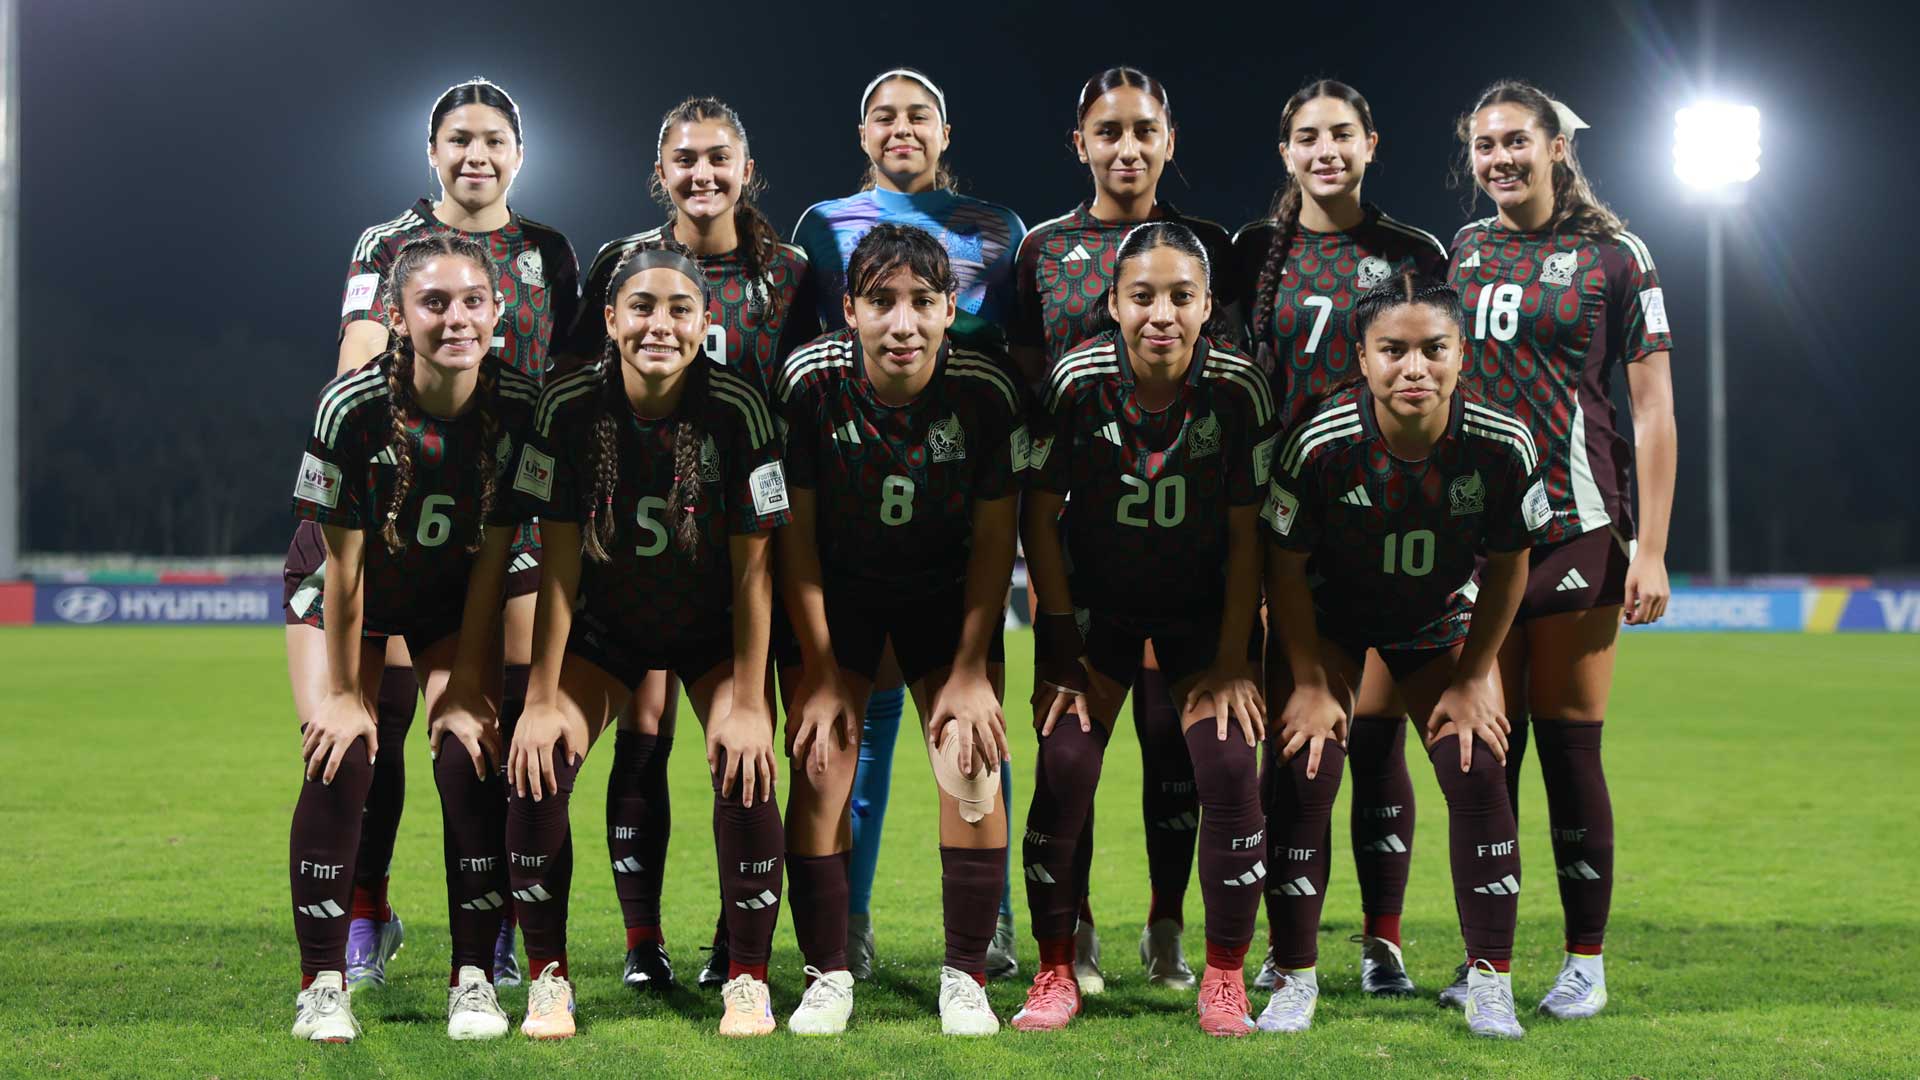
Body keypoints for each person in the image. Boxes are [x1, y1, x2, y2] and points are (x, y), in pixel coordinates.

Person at [287, 77, 578, 991]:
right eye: (458, 139)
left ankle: (494, 933)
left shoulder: (548, 252)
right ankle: (364, 911)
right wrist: (416, 431)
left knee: (490, 733)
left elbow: (566, 383)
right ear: (432, 152)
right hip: (392, 504)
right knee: (372, 724)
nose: (476, 154)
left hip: (503, 513)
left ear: (519, 153)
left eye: (494, 138)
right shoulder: (387, 243)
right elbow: (358, 357)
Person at [504, 244, 789, 1039]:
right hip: (606, 629)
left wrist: (747, 702)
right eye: (641, 308)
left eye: (677, 310)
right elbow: (558, 567)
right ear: (609, 321)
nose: (658, 325)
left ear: (705, 322)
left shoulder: (740, 406)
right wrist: (539, 698)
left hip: (710, 631)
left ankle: (749, 981)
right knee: (536, 763)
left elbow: (753, 575)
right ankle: (548, 980)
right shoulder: (566, 406)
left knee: (746, 761)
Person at [567, 96, 819, 992]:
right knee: (641, 733)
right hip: (636, 543)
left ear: (748, 171)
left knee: (749, 738)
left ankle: (732, 942)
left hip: (752, 539)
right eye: (685, 159)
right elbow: (580, 396)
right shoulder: (621, 266)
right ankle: (644, 943)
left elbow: (819, 386)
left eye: (720, 158)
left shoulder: (791, 272)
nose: (702, 174)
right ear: (660, 172)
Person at [1444, 80, 1677, 1019]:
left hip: (1578, 528)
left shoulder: (1617, 255)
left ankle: (1585, 960)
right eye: (1485, 145)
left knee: (1571, 753)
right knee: (1482, 757)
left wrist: (1651, 549)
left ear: (1556, 149)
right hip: (1477, 539)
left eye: (1516, 142)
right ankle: (1484, 961)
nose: (1500, 158)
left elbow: (1654, 409)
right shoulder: (1462, 251)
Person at [1261, 271, 1545, 1039]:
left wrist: (1478, 673)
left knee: (1476, 765)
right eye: (1393, 350)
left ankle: (1492, 981)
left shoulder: (1500, 442)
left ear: (1463, 356)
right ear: (1363, 358)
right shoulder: (1321, 442)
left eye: (1432, 349)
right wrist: (1315, 681)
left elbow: (1511, 562)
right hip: (1330, 622)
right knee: (1308, 763)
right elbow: (1282, 566)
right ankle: (1294, 976)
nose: (1413, 367)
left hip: (1433, 623)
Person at [789, 65, 1027, 979]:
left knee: (974, 735)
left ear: (945, 129)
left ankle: (993, 927)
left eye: (918, 114)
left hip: (947, 482)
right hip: (855, 492)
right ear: (862, 135)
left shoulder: (994, 228)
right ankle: (843, 928)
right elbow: (810, 351)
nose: (901, 127)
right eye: (883, 114)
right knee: (857, 739)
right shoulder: (823, 223)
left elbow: (1009, 349)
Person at [1014, 222, 1274, 1037]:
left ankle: (1224, 977)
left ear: (1207, 306)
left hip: (1203, 612)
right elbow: (1038, 514)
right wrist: (1058, 646)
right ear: (1114, 305)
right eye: (1142, 296)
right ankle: (1055, 970)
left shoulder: (1238, 388)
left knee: (1230, 770)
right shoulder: (1075, 381)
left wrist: (1235, 658)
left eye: (1181, 296)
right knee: (1063, 763)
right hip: (1099, 612)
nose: (1162, 313)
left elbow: (1248, 536)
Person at [1011, 65, 1238, 993]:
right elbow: (1031, 392)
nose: (1127, 147)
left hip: (1189, 542)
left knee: (1177, 747)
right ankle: (1081, 935)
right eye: (1108, 132)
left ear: (1169, 139)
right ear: (1082, 145)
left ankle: (1168, 927)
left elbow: (1229, 394)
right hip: (1085, 545)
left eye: (1144, 130)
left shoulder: (1210, 245)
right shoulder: (1045, 249)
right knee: (1076, 741)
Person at [288, 235, 538, 1043]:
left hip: (454, 587)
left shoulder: (523, 408)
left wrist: (466, 690)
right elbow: (344, 572)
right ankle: (322, 985)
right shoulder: (351, 408)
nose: (456, 317)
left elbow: (496, 556)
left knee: (471, 752)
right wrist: (342, 696)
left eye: (473, 301)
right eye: (434, 303)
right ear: (396, 317)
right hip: (344, 581)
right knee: (342, 753)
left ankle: (474, 979)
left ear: (498, 313)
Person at [1230, 77, 1447, 998]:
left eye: (1343, 134)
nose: (1326, 150)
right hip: (1283, 517)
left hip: (1386, 514)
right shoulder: (1248, 253)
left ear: (1371, 144)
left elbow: (1437, 367)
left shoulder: (1411, 251)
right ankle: (1295, 949)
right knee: (1300, 733)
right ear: (1287, 153)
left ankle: (1383, 940)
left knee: (1379, 733)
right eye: (1308, 136)